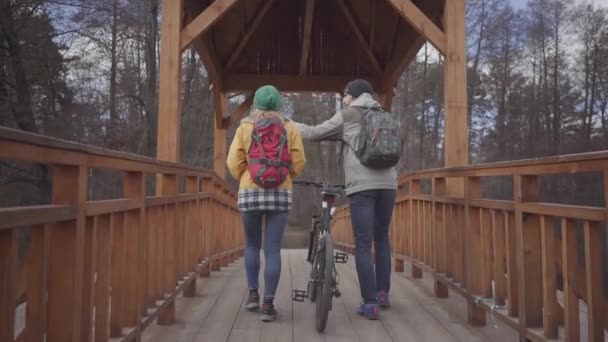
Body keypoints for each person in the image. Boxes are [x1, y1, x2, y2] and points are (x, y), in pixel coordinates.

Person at [292, 79, 397, 320]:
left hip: (362, 186)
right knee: (381, 237)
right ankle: (382, 293)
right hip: (389, 184)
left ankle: (370, 303)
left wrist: (289, 124)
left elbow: (314, 132)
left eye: (346, 95)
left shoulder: (349, 115)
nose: (344, 99)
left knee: (362, 242)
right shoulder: (385, 114)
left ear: (354, 96)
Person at [227, 85, 306, 322]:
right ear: (279, 105)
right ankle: (268, 304)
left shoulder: (245, 127)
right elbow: (299, 161)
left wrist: (246, 176)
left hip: (250, 191)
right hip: (280, 192)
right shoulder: (290, 127)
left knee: (252, 245)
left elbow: (233, 162)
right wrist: (285, 177)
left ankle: (252, 296)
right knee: (272, 249)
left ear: (256, 105)